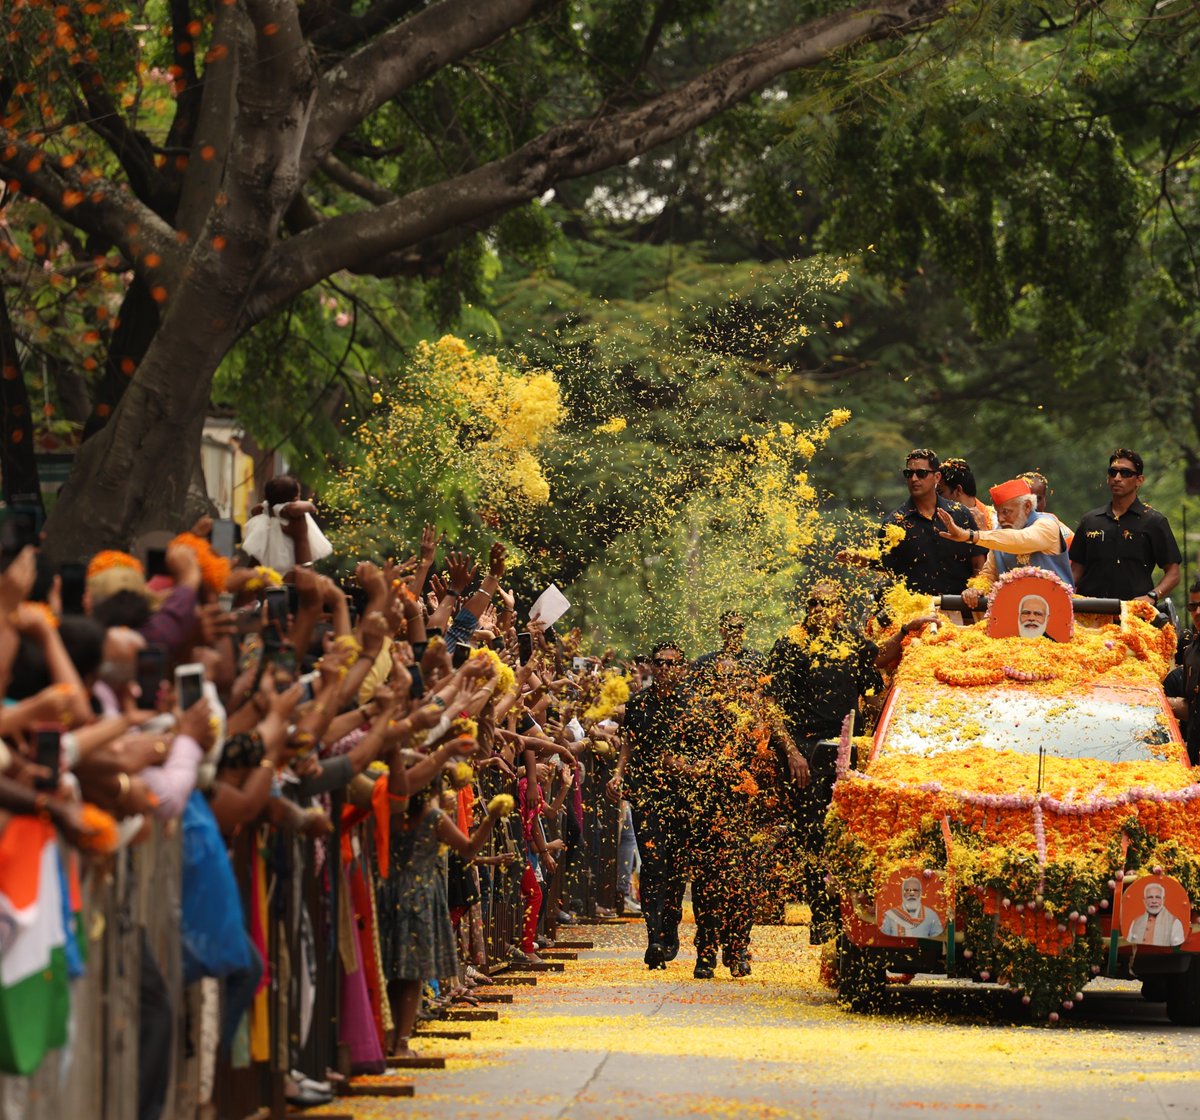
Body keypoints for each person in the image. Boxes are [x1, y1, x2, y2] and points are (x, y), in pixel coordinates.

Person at [766, 581, 869, 942]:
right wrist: (792, 753)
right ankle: (822, 915)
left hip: (849, 750)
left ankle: (849, 914)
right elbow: (770, 703)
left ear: (841, 609)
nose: (820, 610)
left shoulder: (852, 641)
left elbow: (878, 667)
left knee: (850, 834)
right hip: (806, 753)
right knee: (812, 835)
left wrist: (905, 631)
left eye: (828, 604)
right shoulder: (790, 643)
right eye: (814, 604)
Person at [606, 641, 690, 969]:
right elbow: (628, 743)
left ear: (681, 668)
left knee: (677, 867)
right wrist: (618, 774)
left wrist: (685, 766)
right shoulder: (639, 703)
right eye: (659, 662)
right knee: (653, 864)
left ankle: (670, 925)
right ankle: (653, 936)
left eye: (671, 663)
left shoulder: (691, 705)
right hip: (646, 794)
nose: (665, 668)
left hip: (682, 797)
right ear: (653, 666)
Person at [937, 478, 1074, 606]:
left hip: (1056, 610)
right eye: (998, 513)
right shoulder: (999, 534)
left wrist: (969, 535)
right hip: (1015, 613)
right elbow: (989, 574)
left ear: (1027, 506)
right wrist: (977, 589)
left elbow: (1020, 540)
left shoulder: (1047, 525)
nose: (1000, 519)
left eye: (1006, 512)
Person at [1069, 449, 1181, 603]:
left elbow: (1173, 573)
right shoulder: (1090, 521)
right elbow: (1075, 571)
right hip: (1089, 610)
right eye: (1112, 472)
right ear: (1107, 478)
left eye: (1125, 473)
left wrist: (1152, 596)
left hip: (1134, 612)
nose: (1117, 478)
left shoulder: (1153, 521)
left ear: (1139, 480)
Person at [876, 449, 985, 595]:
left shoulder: (961, 514)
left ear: (937, 477)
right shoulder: (894, 523)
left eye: (921, 473)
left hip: (961, 604)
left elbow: (979, 560)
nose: (914, 479)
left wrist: (976, 589)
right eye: (909, 474)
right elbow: (884, 573)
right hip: (915, 607)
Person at [1164, 577, 1200, 765]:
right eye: (1193, 607)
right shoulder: (1190, 653)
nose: (1198, 612)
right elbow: (1191, 703)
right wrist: (1163, 704)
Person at [693, 609, 765, 673]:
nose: (738, 631)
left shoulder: (756, 659)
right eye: (733, 627)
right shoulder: (705, 662)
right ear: (722, 630)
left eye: (741, 626)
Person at [938, 457, 995, 531]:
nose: (937, 497)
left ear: (958, 490)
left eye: (940, 492)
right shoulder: (937, 521)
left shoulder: (997, 520)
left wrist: (983, 532)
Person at [1020, 471, 1073, 548]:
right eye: (1026, 501)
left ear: (1045, 500)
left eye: (1037, 499)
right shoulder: (1005, 531)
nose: (1033, 506)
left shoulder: (1062, 533)